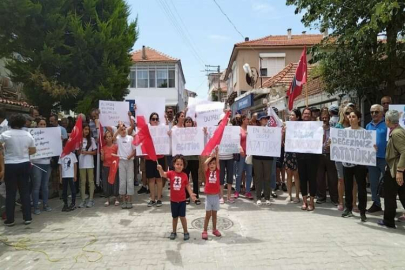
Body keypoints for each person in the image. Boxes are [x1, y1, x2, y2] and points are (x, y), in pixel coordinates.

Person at [0, 114, 36, 226]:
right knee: (24, 191)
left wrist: (4, 149)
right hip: (24, 163)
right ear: (22, 123)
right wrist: (24, 152)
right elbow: (33, 150)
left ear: (10, 123)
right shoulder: (27, 134)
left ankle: (10, 219)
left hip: (10, 164)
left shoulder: (5, 134)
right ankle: (27, 217)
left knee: (11, 193)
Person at [157, 155, 196, 241]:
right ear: (174, 164)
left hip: (182, 200)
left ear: (183, 166)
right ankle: (174, 232)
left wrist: (191, 194)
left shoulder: (185, 175)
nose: (179, 166)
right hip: (173, 201)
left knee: (182, 217)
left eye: (181, 164)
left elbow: (187, 186)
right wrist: (160, 169)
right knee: (174, 217)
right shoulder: (171, 173)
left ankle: (186, 232)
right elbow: (163, 174)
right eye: (177, 164)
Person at [378, 110, 405, 228]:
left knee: (389, 196)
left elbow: (404, 151)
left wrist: (399, 171)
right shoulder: (397, 131)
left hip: (395, 170)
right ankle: (388, 220)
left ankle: (388, 221)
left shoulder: (396, 133)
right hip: (395, 168)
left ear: (388, 121)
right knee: (402, 195)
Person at [341, 110, 368, 222]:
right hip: (347, 163)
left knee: (361, 187)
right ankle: (348, 208)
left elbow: (368, 146)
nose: (351, 118)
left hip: (360, 164)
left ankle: (362, 211)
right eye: (349, 116)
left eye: (353, 117)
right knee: (348, 186)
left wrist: (373, 148)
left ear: (359, 119)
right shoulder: (344, 131)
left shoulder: (364, 132)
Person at [334, 105, 358, 212]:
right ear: (343, 114)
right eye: (347, 113)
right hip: (340, 157)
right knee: (341, 179)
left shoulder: (357, 127)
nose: (349, 116)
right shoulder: (338, 127)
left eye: (352, 113)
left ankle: (354, 204)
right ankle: (341, 202)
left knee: (353, 181)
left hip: (354, 157)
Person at [297, 108, 320, 211]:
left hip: (312, 157)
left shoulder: (316, 126)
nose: (306, 115)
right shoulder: (297, 126)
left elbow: (320, 139)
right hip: (301, 156)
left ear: (311, 115)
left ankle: (311, 202)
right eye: (304, 113)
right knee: (302, 179)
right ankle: (304, 201)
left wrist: (321, 130)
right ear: (302, 115)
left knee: (312, 179)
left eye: (308, 113)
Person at [366, 104, 387, 213]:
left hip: (385, 158)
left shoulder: (387, 124)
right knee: (373, 183)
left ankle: (389, 204)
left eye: (376, 112)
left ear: (382, 113)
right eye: (372, 112)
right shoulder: (368, 126)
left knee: (387, 183)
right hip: (372, 158)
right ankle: (376, 203)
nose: (374, 114)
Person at [316, 109, 338, 205]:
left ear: (329, 118)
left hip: (330, 155)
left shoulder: (334, 129)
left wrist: (332, 144)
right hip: (319, 155)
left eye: (326, 117)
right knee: (320, 177)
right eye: (323, 117)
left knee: (332, 178)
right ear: (320, 118)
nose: (324, 119)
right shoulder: (317, 129)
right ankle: (321, 197)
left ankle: (334, 198)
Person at [31, 118, 52, 215]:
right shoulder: (32, 136)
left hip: (47, 163)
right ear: (37, 125)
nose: (43, 126)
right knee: (36, 186)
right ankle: (35, 206)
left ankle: (46, 204)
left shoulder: (50, 135)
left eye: (44, 124)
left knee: (45, 186)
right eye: (41, 124)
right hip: (36, 163)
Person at [145, 113, 165, 207]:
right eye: (153, 119)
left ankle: (159, 199)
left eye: (157, 119)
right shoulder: (146, 130)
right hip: (149, 158)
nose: (155, 121)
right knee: (151, 179)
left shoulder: (162, 129)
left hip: (159, 157)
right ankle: (152, 199)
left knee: (159, 178)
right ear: (150, 120)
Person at [252, 112, 273, 206]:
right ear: (259, 120)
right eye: (264, 118)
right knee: (258, 177)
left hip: (268, 157)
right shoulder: (254, 130)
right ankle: (258, 197)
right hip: (257, 157)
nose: (266, 120)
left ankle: (267, 197)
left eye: (266, 118)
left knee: (267, 177)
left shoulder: (271, 130)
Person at [114, 122, 136, 209]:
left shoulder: (130, 138)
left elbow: (134, 150)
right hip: (121, 161)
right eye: (121, 130)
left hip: (130, 161)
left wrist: (130, 156)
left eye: (124, 129)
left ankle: (130, 201)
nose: (123, 131)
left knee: (130, 180)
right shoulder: (118, 138)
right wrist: (119, 128)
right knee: (122, 181)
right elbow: (112, 138)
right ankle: (123, 201)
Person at [202, 146, 222, 240]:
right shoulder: (207, 172)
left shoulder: (217, 171)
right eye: (211, 163)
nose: (212, 165)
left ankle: (214, 229)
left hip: (216, 197)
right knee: (207, 215)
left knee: (214, 215)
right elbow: (205, 163)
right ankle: (205, 230)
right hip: (209, 197)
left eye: (213, 163)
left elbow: (218, 162)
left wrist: (217, 153)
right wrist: (211, 156)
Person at [78, 123, 97, 208]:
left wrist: (87, 152)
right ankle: (83, 200)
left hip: (89, 164)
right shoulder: (79, 140)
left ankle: (91, 199)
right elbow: (77, 152)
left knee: (91, 182)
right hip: (82, 164)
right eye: (85, 129)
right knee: (82, 182)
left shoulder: (92, 139)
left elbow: (95, 152)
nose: (86, 131)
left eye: (88, 129)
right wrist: (80, 148)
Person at [183, 117, 201, 205]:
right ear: (184, 123)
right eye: (187, 122)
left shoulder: (197, 132)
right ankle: (186, 196)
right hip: (185, 160)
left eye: (190, 122)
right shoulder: (180, 133)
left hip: (194, 159)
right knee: (186, 179)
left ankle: (196, 196)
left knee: (195, 178)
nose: (188, 123)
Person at [284, 109, 301, 203]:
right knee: (289, 174)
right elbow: (283, 140)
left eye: (293, 115)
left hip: (297, 153)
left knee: (296, 175)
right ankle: (289, 195)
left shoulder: (301, 127)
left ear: (297, 117)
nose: (291, 117)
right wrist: (284, 132)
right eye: (290, 115)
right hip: (288, 152)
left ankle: (297, 196)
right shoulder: (287, 126)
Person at [235, 115, 253, 200]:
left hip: (249, 154)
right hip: (241, 154)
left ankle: (248, 191)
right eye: (246, 119)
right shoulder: (238, 129)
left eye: (248, 119)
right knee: (239, 173)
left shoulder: (251, 129)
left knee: (249, 174)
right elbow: (236, 141)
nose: (248, 120)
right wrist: (240, 149)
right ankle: (237, 190)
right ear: (242, 120)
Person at [100, 131, 120, 207]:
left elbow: (118, 156)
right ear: (105, 139)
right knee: (106, 183)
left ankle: (116, 198)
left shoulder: (116, 146)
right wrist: (102, 154)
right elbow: (102, 159)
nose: (108, 138)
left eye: (110, 136)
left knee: (115, 182)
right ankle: (107, 199)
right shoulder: (103, 148)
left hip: (114, 167)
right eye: (107, 137)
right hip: (106, 167)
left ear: (112, 138)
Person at [58, 145, 78, 212]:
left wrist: (75, 175)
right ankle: (65, 203)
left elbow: (75, 165)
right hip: (64, 175)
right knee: (64, 191)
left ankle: (73, 203)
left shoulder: (73, 155)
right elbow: (60, 166)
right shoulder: (61, 155)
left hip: (71, 175)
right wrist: (60, 177)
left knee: (73, 190)